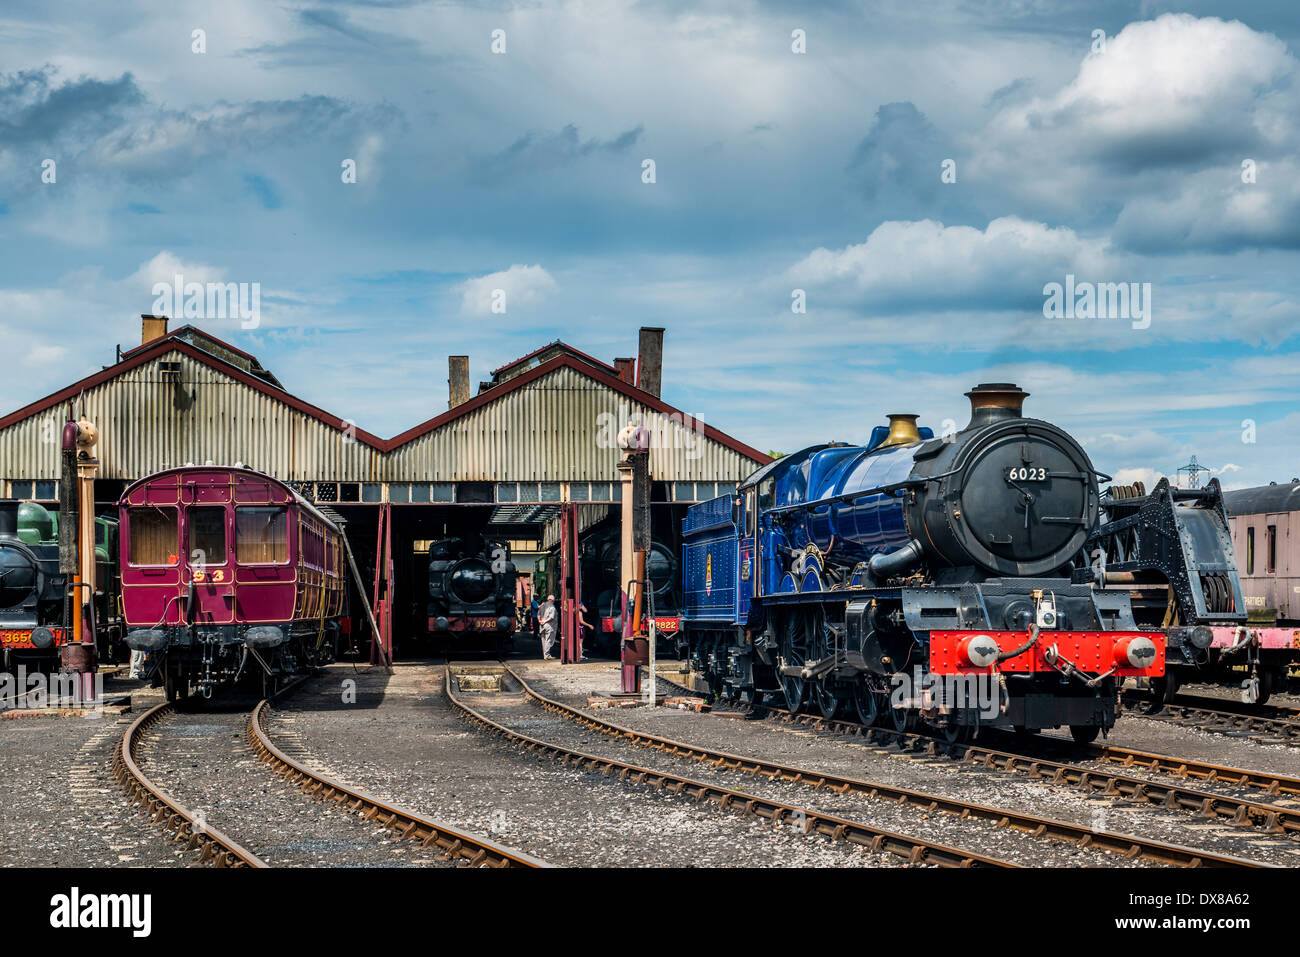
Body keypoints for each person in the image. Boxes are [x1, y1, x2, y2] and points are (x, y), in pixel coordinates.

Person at [538, 594, 557, 660]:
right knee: (549, 640)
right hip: (549, 625)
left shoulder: (542, 606)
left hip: (542, 625)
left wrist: (540, 621)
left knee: (543, 640)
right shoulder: (552, 607)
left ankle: (545, 655)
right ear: (552, 600)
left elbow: (538, 614)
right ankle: (547, 655)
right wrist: (545, 621)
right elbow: (551, 617)